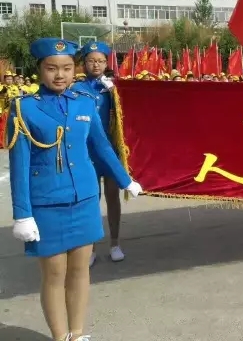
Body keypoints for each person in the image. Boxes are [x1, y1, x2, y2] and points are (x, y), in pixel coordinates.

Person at [7, 38, 143, 341]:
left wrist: (125, 180)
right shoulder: (24, 108)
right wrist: (22, 214)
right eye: (52, 68)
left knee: (81, 271)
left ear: (74, 69)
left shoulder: (84, 102)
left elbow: (102, 147)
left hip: (84, 199)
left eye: (67, 68)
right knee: (55, 275)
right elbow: (19, 166)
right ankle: (60, 337)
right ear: (40, 69)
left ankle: (77, 334)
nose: (60, 75)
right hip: (47, 204)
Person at [73, 41, 126, 266]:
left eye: (101, 61)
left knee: (112, 196)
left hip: (110, 150)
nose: (96, 65)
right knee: (91, 199)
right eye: (91, 61)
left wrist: (115, 91)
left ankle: (115, 243)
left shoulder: (113, 88)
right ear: (84, 63)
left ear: (107, 63)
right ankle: (91, 247)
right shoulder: (75, 89)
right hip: (87, 153)